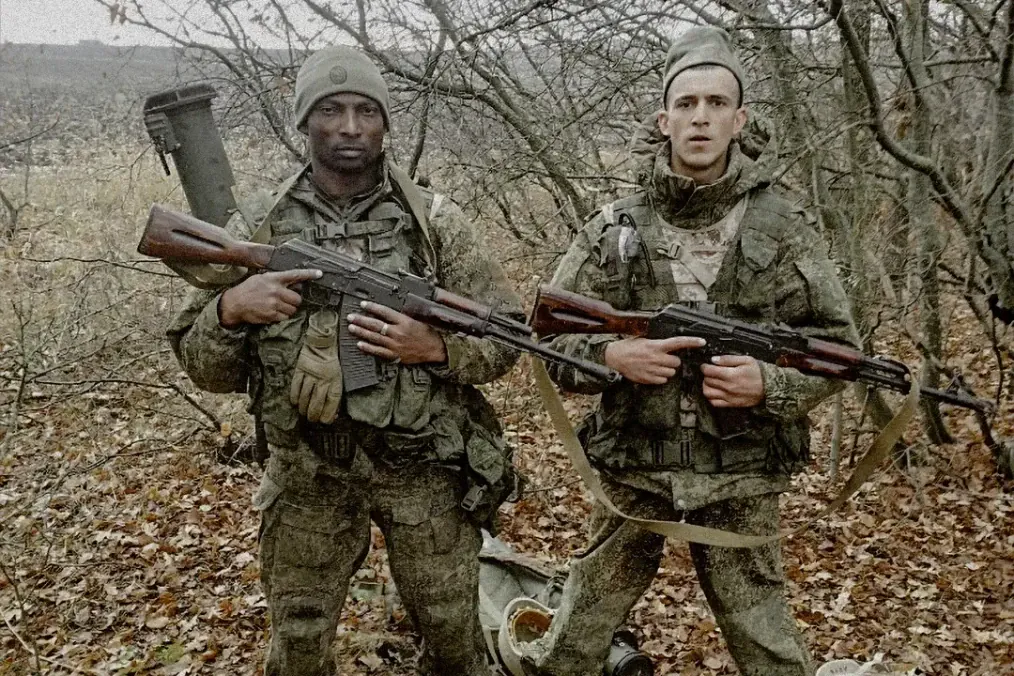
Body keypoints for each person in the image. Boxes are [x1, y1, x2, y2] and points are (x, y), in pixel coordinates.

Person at [166, 46, 522, 676]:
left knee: (451, 636)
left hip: (424, 473)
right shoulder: (256, 225)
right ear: (305, 121)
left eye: (366, 110)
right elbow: (207, 371)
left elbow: (507, 337)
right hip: (307, 477)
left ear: (386, 123)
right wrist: (231, 312)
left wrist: (437, 348)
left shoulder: (434, 223)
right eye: (331, 109)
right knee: (299, 645)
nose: (351, 126)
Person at [527, 27, 860, 676]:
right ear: (664, 119)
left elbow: (840, 352)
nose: (699, 117)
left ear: (739, 120)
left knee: (768, 648)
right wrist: (611, 359)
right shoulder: (615, 227)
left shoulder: (782, 225)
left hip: (740, 474)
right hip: (635, 469)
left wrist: (769, 384)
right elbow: (544, 336)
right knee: (577, 635)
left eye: (714, 104)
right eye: (685, 104)